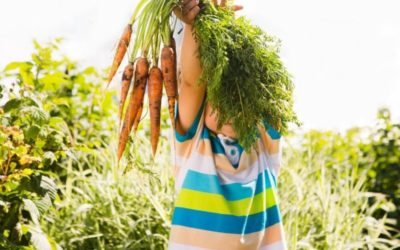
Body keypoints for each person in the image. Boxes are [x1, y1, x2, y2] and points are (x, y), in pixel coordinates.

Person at [168, 0, 287, 249]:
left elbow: (269, 88)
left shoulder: (263, 147)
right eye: (219, 98)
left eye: (239, 98)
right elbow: (190, 83)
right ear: (205, 101)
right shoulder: (194, 145)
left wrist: (226, 30)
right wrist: (194, 26)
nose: (231, 107)